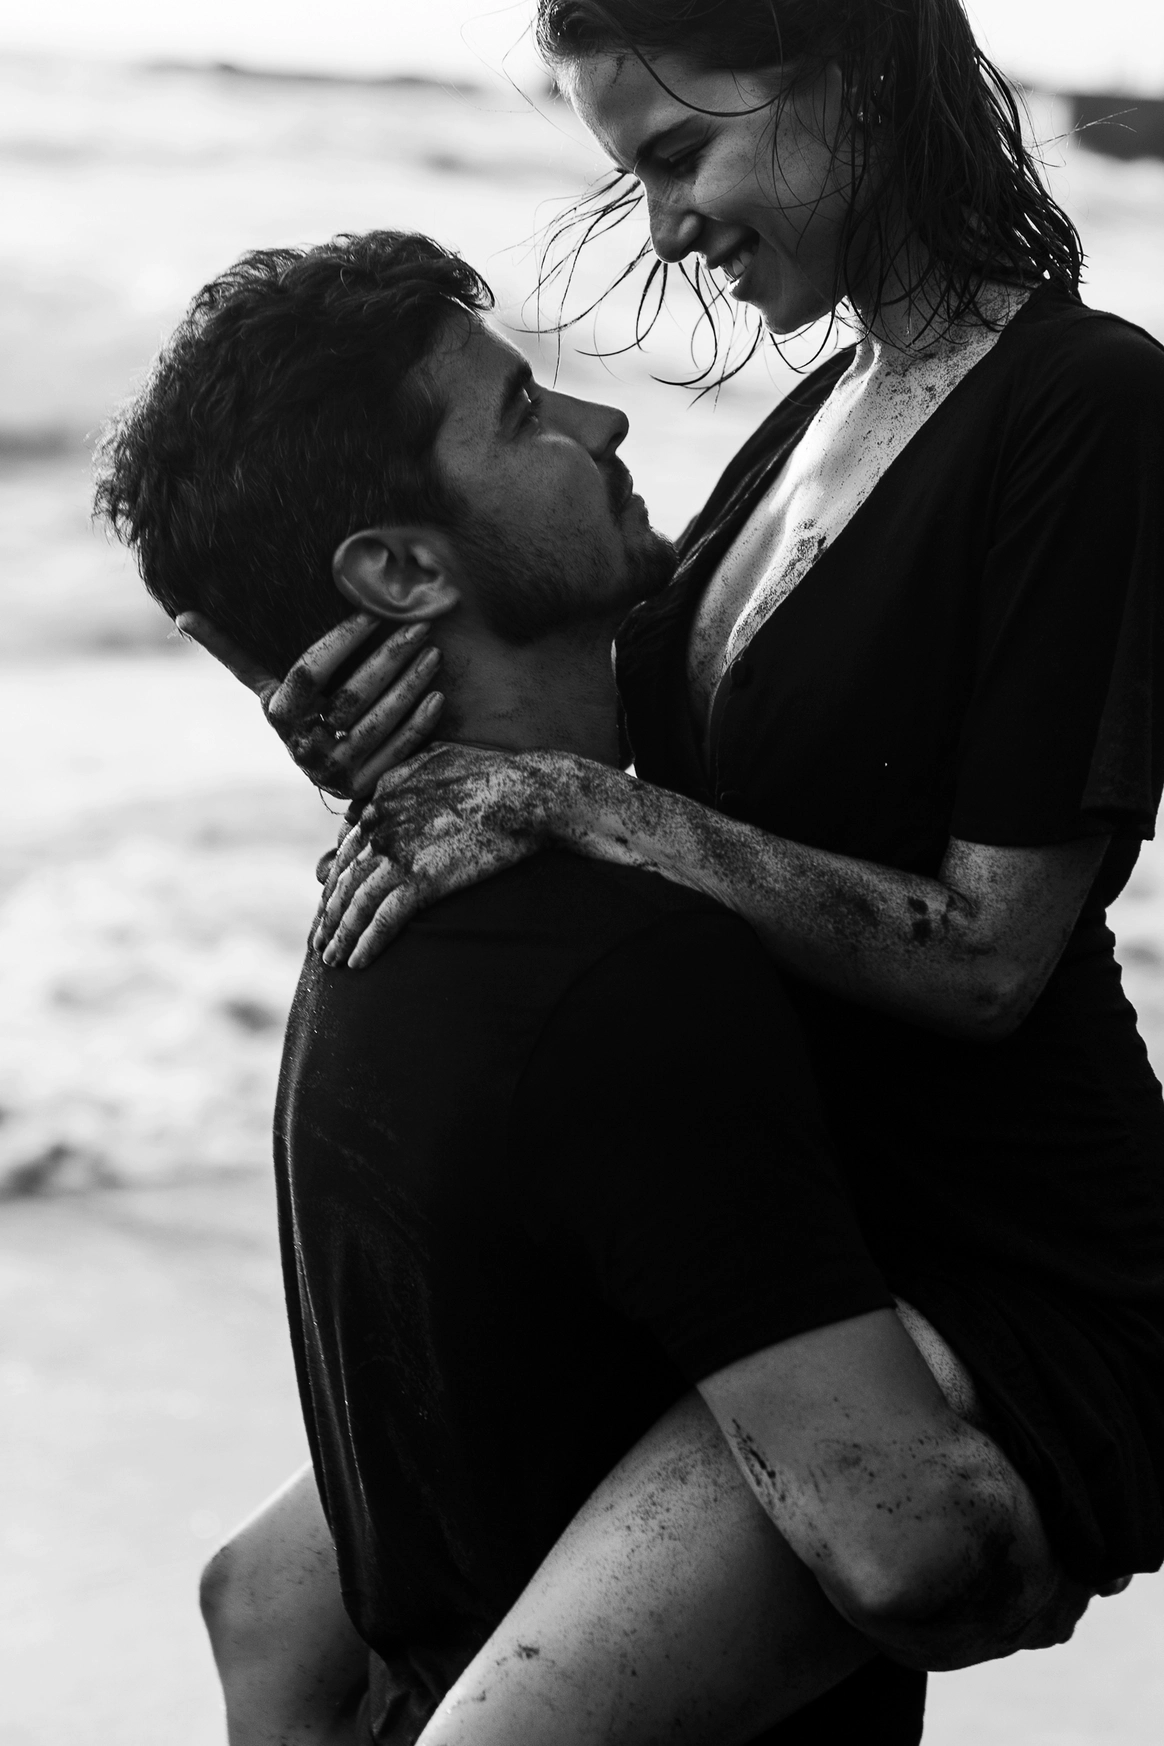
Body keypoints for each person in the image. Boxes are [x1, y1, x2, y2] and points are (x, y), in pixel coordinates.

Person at [183, 0, 1164, 1699]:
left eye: (681, 153)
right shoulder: (824, 414)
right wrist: (383, 735)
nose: (664, 225)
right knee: (265, 1611)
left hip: (1014, 1265)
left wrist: (596, 808)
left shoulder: (1088, 406)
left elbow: (992, 953)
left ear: (854, 79)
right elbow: (597, 744)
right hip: (776, 1223)